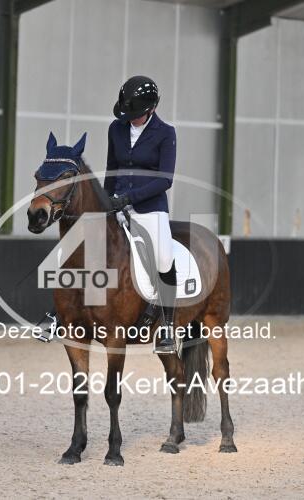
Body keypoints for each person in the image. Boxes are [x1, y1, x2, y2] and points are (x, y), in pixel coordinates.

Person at [104, 75, 178, 354]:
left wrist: (130, 198)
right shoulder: (116, 128)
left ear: (151, 109)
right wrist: (105, 202)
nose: (130, 120)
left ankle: (168, 326)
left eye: (135, 115)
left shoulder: (166, 133)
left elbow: (165, 179)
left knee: (163, 257)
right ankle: (60, 313)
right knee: (86, 243)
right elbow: (111, 168)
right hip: (116, 205)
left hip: (150, 208)